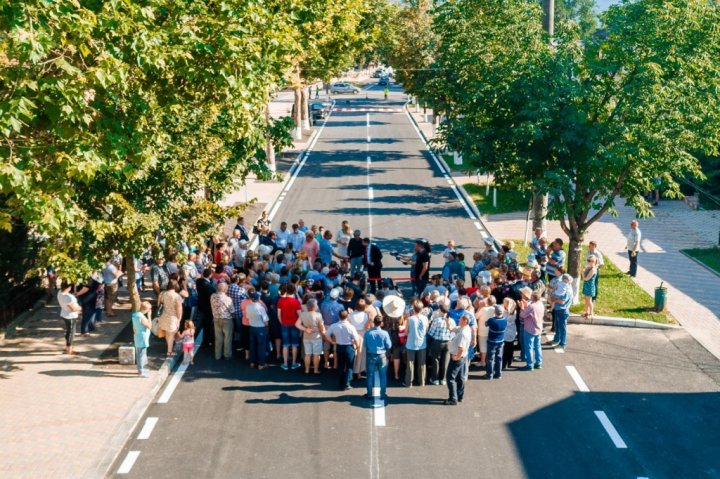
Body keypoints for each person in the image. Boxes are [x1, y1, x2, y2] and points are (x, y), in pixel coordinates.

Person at [324, 310, 360, 390]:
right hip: (349, 347)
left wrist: (332, 341)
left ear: (338, 316)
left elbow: (326, 334)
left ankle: (341, 383)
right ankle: (347, 384)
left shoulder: (334, 325)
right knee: (349, 366)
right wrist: (357, 347)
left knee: (340, 365)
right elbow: (356, 338)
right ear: (347, 317)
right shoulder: (351, 327)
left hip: (339, 347)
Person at [363, 316, 392, 400]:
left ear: (373, 323)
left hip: (371, 355)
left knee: (370, 375)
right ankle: (382, 395)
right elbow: (389, 346)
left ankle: (369, 394)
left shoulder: (368, 333)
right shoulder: (385, 333)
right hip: (382, 355)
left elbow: (365, 345)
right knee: (383, 376)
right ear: (381, 323)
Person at [444, 313, 471, 405]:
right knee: (460, 377)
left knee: (450, 377)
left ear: (465, 321)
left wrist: (456, 357)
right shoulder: (464, 328)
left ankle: (453, 399)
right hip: (463, 357)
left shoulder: (463, 333)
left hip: (458, 358)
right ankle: (460, 396)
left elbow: (461, 348)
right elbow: (452, 329)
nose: (459, 320)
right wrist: (447, 321)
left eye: (460, 319)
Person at [296, 298, 325, 374]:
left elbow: (297, 324)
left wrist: (305, 329)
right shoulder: (318, 315)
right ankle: (315, 370)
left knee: (307, 354)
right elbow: (321, 327)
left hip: (306, 337)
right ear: (315, 306)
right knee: (316, 354)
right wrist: (323, 334)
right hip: (316, 337)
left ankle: (307, 370)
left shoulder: (303, 314)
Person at [404, 300, 428, 387]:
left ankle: (409, 382)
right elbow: (426, 329)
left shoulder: (410, 319)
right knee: (422, 363)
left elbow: (406, 332)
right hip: (422, 343)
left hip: (411, 343)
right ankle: (422, 382)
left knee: (410, 364)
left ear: (413, 309)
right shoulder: (425, 318)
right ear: (422, 309)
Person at [278, 284, 302, 370]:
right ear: (295, 291)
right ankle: (294, 363)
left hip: (284, 324)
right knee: (294, 345)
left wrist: (282, 323)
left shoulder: (281, 301)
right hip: (294, 325)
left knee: (285, 345)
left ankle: (285, 364)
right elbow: (300, 315)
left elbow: (279, 315)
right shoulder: (296, 302)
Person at [427, 302, 452, 385]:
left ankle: (435, 379)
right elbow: (453, 333)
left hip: (437, 342)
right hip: (448, 342)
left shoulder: (437, 320)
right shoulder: (451, 321)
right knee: (446, 361)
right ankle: (443, 379)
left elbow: (431, 332)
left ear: (440, 311)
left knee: (436, 360)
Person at [520, 289, 545, 371]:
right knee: (537, 346)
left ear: (533, 297)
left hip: (530, 329)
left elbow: (522, 315)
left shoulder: (532, 306)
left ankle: (530, 364)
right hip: (539, 328)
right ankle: (538, 363)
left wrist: (522, 307)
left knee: (529, 347)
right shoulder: (541, 304)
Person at [157, 279, 184, 356]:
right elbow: (179, 309)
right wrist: (179, 320)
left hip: (163, 316)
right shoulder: (177, 296)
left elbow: (159, 304)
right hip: (172, 318)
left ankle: (169, 348)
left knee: (167, 334)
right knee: (171, 335)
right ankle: (169, 351)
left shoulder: (162, 293)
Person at [210, 282, 235, 360]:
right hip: (226, 319)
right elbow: (232, 310)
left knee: (218, 337)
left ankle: (217, 355)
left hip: (216, 318)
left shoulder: (212, 296)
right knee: (227, 337)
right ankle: (227, 354)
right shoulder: (227, 299)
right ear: (225, 289)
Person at [246, 292, 270, 369]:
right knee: (261, 347)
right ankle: (261, 364)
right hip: (260, 328)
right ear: (258, 299)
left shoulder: (248, 306)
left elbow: (247, 317)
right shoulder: (261, 308)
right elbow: (266, 321)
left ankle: (252, 363)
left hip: (251, 327)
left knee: (252, 346)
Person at [484, 304, 507, 380]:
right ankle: (498, 374)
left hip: (492, 341)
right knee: (499, 358)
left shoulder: (492, 320)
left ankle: (489, 375)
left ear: (495, 312)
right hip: (500, 341)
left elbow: (486, 324)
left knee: (490, 358)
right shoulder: (504, 320)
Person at [57, 282, 81, 355]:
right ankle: (69, 349)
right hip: (70, 316)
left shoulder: (60, 292)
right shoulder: (68, 297)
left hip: (64, 313)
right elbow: (73, 309)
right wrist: (80, 308)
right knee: (71, 333)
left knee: (68, 331)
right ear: (68, 287)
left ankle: (67, 347)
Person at [551, 274, 573, 349]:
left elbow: (562, 301)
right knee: (557, 326)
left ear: (567, 280)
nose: (562, 281)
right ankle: (556, 339)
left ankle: (562, 344)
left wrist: (554, 300)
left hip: (563, 310)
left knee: (562, 328)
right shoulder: (564, 287)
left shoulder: (567, 290)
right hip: (559, 310)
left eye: (564, 279)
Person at [131, 301, 153, 377]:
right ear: (146, 309)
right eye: (149, 309)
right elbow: (150, 326)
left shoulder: (135, 315)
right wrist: (149, 316)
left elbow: (134, 327)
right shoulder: (142, 317)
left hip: (137, 336)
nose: (150, 310)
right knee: (141, 354)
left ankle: (141, 369)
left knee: (139, 353)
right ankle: (141, 371)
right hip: (143, 338)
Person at [501, 297, 517, 370]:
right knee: (511, 347)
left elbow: (504, 321)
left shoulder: (505, 312)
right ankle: (509, 361)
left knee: (505, 349)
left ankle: (504, 364)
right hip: (512, 331)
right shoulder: (514, 311)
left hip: (506, 332)